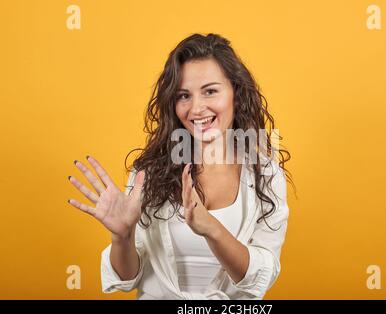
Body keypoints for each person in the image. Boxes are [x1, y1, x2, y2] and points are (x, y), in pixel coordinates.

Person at [68, 33, 293, 299]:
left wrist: (212, 228)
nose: (196, 108)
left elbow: (261, 277)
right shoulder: (149, 173)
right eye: (183, 95)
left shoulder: (265, 175)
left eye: (210, 91)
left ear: (236, 92)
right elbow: (128, 278)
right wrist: (123, 236)